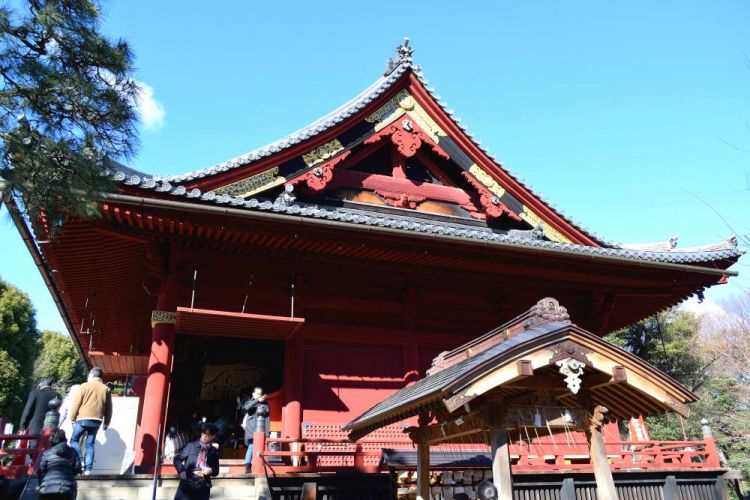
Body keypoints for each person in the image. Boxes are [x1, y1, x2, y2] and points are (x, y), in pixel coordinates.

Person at [69, 367, 112, 475]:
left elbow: (76, 403)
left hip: (83, 418)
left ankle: (80, 460)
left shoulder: (85, 386)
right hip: (97, 419)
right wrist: (107, 422)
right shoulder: (105, 389)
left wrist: (72, 419)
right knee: (90, 444)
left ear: (92, 375)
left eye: (89, 375)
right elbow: (109, 408)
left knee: (74, 440)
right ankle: (88, 469)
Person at [173, 423, 220, 500]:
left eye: (208, 434)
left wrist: (211, 470)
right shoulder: (191, 446)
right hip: (188, 481)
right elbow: (177, 458)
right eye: (203, 433)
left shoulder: (214, 451)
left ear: (213, 436)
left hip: (203, 484)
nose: (204, 436)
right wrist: (181, 470)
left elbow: (216, 470)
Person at [37, 428, 82, 500]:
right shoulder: (73, 452)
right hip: (66, 489)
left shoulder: (46, 453)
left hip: (47, 488)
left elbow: (41, 471)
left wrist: (42, 484)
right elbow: (77, 468)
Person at [241, 386, 269, 473]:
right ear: (253, 394)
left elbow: (267, 418)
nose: (259, 395)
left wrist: (268, 431)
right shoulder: (249, 402)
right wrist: (257, 400)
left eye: (260, 394)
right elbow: (245, 408)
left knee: (262, 449)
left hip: (262, 430)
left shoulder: (265, 404)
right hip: (251, 430)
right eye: (257, 393)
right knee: (251, 447)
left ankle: (260, 466)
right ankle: (248, 467)